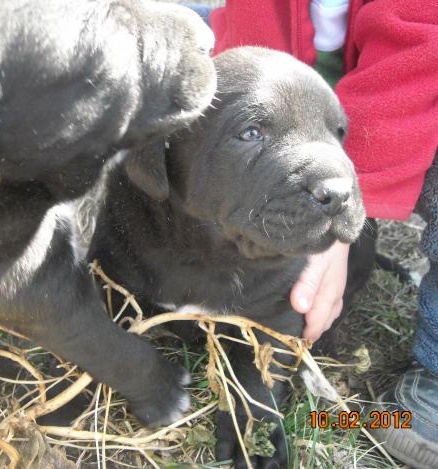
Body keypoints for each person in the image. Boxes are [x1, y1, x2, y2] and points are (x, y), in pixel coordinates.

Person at [186, 1, 438, 467]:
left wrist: (334, 211)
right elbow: (252, 33)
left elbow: (421, 44)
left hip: (410, 88)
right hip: (295, 88)